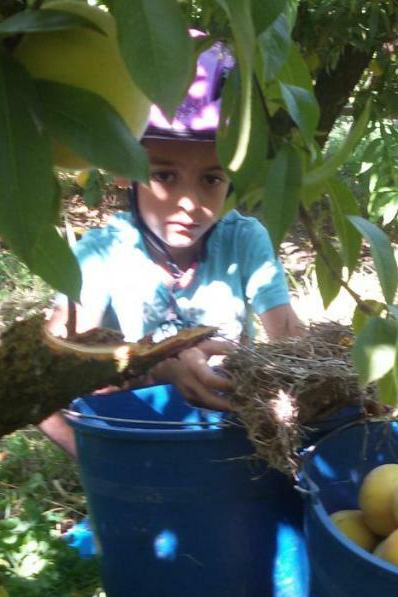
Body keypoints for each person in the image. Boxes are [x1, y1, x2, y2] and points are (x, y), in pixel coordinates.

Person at [40, 39, 304, 456]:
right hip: (143, 450)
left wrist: (357, 377)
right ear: (127, 170)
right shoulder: (101, 256)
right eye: (164, 176)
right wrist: (102, 463)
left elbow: (291, 341)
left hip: (232, 450)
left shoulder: (243, 241)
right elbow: (47, 375)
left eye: (211, 180)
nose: (189, 203)